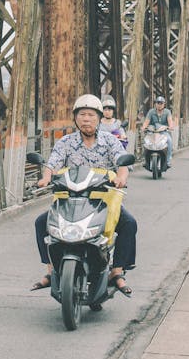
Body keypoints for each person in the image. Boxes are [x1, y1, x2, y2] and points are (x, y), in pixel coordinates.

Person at [31, 94, 137, 296]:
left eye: (90, 115)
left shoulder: (109, 141)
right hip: (70, 199)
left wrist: (121, 178)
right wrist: (46, 178)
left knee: (129, 224)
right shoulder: (66, 142)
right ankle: (51, 269)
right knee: (40, 223)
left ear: (98, 118)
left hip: (102, 200)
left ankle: (117, 271)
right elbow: (53, 163)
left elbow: (122, 162)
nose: (86, 119)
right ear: (75, 118)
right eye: (82, 115)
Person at [141, 94, 175, 170]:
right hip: (152, 131)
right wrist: (143, 127)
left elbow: (170, 122)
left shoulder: (167, 112)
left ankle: (168, 160)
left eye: (161, 103)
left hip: (163, 132)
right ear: (155, 104)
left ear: (164, 104)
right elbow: (146, 121)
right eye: (157, 103)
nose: (159, 105)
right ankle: (144, 159)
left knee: (169, 140)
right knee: (145, 141)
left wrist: (170, 127)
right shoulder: (151, 111)